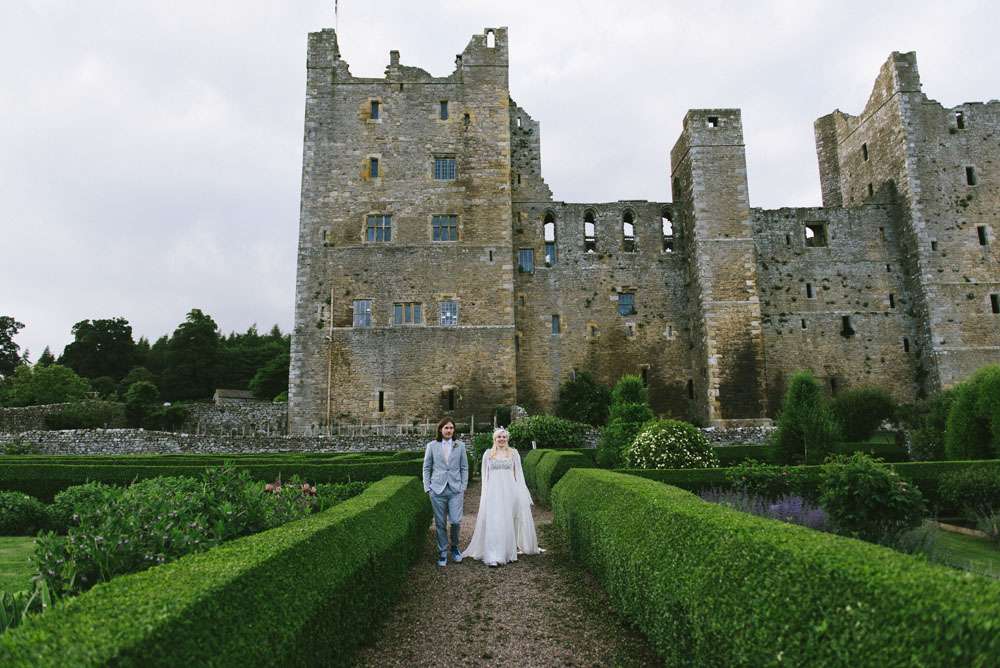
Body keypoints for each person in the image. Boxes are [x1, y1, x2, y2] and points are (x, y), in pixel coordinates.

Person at [462, 427, 540, 566]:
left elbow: (518, 474)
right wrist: (485, 494)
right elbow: (485, 476)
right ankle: (494, 554)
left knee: (508, 519)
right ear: (494, 439)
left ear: (507, 439)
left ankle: (508, 552)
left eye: (504, 437)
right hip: (494, 492)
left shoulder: (514, 453)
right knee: (495, 520)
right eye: (499, 437)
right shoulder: (488, 454)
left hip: (510, 491)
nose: (501, 439)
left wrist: (520, 492)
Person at [423, 417, 469, 567]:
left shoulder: (460, 446)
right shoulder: (431, 446)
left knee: (455, 521)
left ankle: (454, 547)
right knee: (440, 523)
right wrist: (427, 487)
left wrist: (463, 486)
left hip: (455, 489)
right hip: (437, 490)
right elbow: (426, 467)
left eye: (451, 428)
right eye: (446, 428)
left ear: (454, 430)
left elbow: (464, 467)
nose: (449, 430)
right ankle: (442, 551)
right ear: (440, 429)